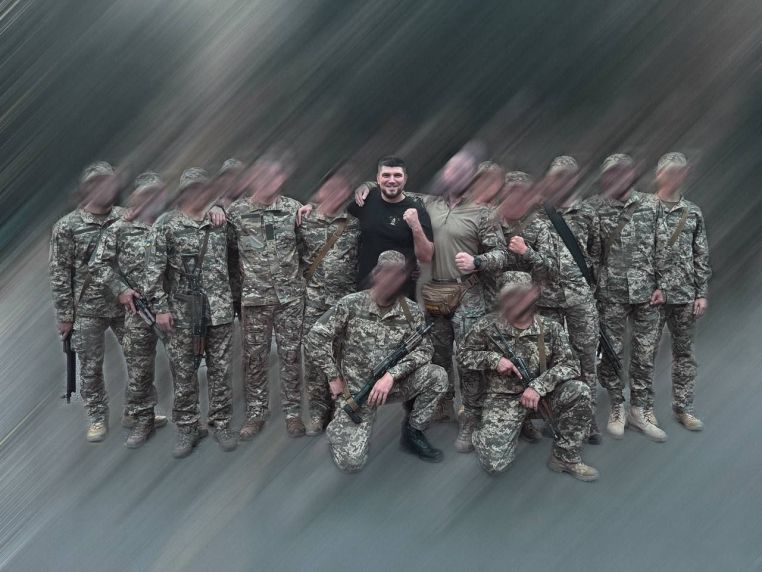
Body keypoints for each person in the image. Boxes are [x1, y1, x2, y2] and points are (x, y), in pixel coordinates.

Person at [304, 250, 447, 472]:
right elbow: (315, 338)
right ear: (376, 274)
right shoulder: (351, 304)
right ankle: (338, 426)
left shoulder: (410, 311)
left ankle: (413, 431)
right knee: (352, 462)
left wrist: (392, 375)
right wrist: (333, 376)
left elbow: (425, 349)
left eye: (398, 275)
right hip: (357, 392)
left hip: (392, 385)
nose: (391, 280)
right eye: (387, 273)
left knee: (437, 376)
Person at [457, 279, 599, 480]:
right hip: (503, 397)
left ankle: (566, 457)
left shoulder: (551, 327)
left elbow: (570, 365)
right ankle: (483, 426)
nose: (515, 302)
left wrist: (539, 386)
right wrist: (493, 360)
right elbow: (463, 355)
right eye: (510, 297)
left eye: (520, 296)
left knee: (579, 391)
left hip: (542, 395)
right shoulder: (487, 325)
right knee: (494, 464)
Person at [508, 156, 602, 444]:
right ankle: (556, 416)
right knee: (549, 360)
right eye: (556, 177)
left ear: (575, 180)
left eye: (567, 177)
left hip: (580, 299)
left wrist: (592, 288)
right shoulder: (535, 216)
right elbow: (521, 258)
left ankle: (587, 419)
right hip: (546, 300)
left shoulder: (587, 214)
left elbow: (596, 254)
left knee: (586, 359)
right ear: (548, 180)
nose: (561, 183)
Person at [420, 144, 508, 450]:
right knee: (438, 355)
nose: (456, 174)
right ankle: (443, 404)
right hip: (436, 292)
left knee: (468, 359)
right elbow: (390, 195)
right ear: (444, 173)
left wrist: (477, 262)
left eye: (463, 170)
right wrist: (365, 188)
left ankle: (471, 418)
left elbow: (502, 254)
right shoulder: (428, 205)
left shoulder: (483, 212)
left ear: (472, 176)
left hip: (468, 295)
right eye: (451, 169)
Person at [149, 168, 240, 458]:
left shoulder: (221, 222)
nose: (198, 193)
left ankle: (221, 423)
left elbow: (239, 257)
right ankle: (187, 427)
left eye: (203, 188)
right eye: (192, 189)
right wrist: (160, 308)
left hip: (219, 310)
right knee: (184, 372)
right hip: (182, 313)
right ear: (184, 192)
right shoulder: (167, 225)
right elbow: (153, 271)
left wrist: (220, 206)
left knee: (221, 371)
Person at [589, 153, 669, 442]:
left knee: (645, 354)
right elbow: (590, 254)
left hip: (648, 294)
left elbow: (663, 246)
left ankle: (639, 409)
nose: (618, 177)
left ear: (632, 174)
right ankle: (617, 405)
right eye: (612, 173)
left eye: (623, 171)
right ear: (605, 178)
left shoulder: (651, 204)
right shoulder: (595, 208)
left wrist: (664, 284)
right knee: (610, 353)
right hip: (610, 293)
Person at [227, 151, 307, 439]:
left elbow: (305, 248)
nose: (268, 181)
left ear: (281, 178)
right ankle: (256, 413)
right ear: (252, 178)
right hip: (254, 298)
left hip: (289, 298)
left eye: (274, 175)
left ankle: (293, 413)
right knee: (254, 358)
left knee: (291, 355)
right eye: (262, 175)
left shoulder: (293, 209)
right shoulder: (236, 213)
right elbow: (228, 254)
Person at [49, 161, 126, 442]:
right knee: (91, 367)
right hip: (87, 309)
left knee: (140, 358)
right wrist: (65, 315)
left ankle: (140, 409)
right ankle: (96, 416)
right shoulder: (67, 226)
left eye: (108, 182)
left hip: (125, 305)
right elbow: (60, 273)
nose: (103, 188)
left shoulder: (126, 217)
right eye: (96, 183)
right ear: (87, 188)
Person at [91, 172, 169, 447]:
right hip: (139, 311)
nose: (152, 199)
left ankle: (189, 421)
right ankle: (142, 420)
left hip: (172, 309)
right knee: (139, 370)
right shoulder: (119, 229)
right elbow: (98, 264)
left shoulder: (171, 223)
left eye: (156, 193)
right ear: (136, 197)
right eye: (146, 194)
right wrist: (121, 290)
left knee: (185, 365)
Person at [297, 166, 361, 435]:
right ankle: (317, 412)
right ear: (321, 191)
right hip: (313, 301)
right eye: (330, 187)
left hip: (343, 303)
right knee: (314, 358)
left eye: (341, 188)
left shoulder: (354, 224)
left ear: (347, 193)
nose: (335, 193)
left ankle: (340, 410)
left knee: (342, 357)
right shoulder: (303, 221)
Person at [653, 152, 711, 430]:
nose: (675, 177)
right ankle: (641, 409)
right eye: (670, 171)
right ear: (659, 174)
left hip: (685, 295)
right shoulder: (644, 209)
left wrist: (701, 293)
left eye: (680, 172)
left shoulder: (692, 212)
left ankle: (683, 408)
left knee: (684, 355)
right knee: (643, 354)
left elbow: (701, 254)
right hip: (651, 297)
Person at [348, 156, 434, 298]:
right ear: (378, 178)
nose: (392, 180)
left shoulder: (417, 210)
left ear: (405, 179)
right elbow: (333, 212)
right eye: (386, 175)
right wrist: (311, 206)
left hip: (401, 296)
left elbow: (426, 257)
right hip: (366, 293)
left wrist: (415, 226)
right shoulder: (365, 200)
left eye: (397, 175)